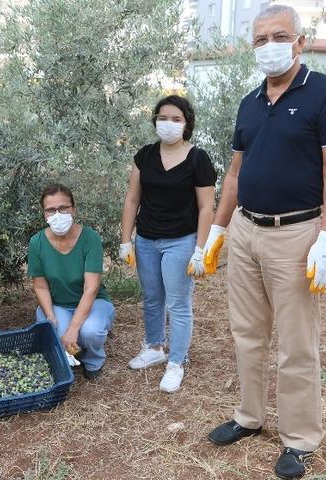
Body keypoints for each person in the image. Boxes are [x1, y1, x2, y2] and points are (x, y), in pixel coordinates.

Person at [202, 6, 326, 479]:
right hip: (246, 231)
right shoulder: (250, 102)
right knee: (246, 334)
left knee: (295, 344)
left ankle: (300, 438)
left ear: (300, 41)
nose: (269, 45)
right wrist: (218, 231)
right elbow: (234, 173)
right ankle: (250, 416)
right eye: (260, 39)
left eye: (279, 35)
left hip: (296, 233)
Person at [119, 95, 217, 393]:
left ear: (187, 124)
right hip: (147, 239)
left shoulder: (198, 159)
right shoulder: (145, 156)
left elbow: (206, 208)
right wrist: (126, 240)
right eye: (163, 118)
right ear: (155, 121)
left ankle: (176, 362)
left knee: (178, 302)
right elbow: (132, 198)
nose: (168, 123)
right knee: (151, 297)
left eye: (176, 119)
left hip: (181, 241)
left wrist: (201, 249)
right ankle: (154, 347)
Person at [28, 183, 115, 380]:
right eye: (51, 210)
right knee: (54, 331)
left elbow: (91, 289)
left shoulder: (90, 238)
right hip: (57, 304)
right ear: (44, 214)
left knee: (90, 332)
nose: (57, 214)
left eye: (63, 208)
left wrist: (73, 328)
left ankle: (93, 360)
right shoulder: (37, 242)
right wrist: (50, 316)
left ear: (73, 209)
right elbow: (40, 285)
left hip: (93, 302)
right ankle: (70, 353)